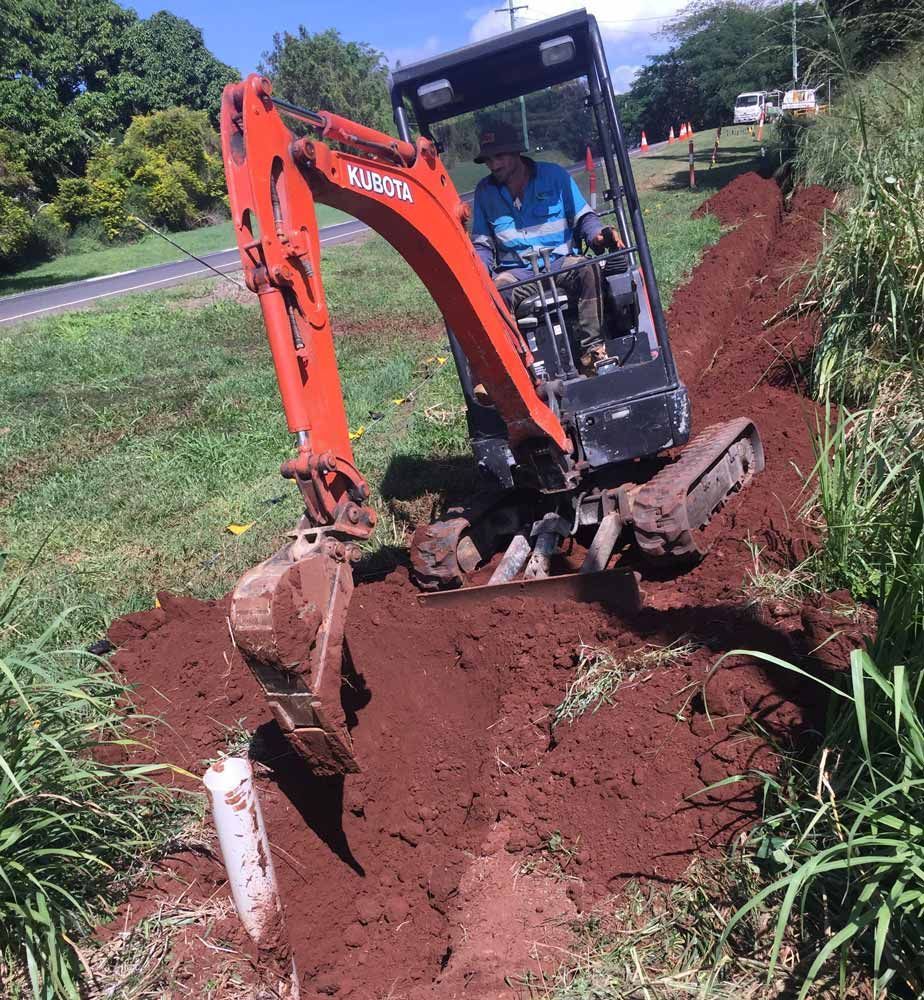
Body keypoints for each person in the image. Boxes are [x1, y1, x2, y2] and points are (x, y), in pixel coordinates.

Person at [470, 122, 622, 373]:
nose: (493, 165)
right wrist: (476, 270)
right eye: (488, 159)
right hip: (518, 271)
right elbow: (483, 244)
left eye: (499, 156)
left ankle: (593, 351)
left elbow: (584, 218)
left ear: (516, 152)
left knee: (588, 269)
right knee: (494, 293)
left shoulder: (555, 177)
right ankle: (512, 369)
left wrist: (598, 235)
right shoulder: (485, 192)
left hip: (560, 262)